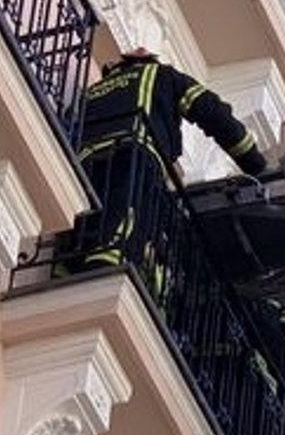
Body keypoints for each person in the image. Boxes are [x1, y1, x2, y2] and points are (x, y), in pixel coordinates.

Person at [66, 48, 267, 283]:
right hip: (133, 154)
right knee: (129, 212)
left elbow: (69, 124)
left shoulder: (91, 92)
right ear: (147, 59)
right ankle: (110, 259)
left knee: (85, 217)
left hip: (85, 163)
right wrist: (254, 162)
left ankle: (68, 265)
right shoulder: (163, 76)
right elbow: (211, 111)